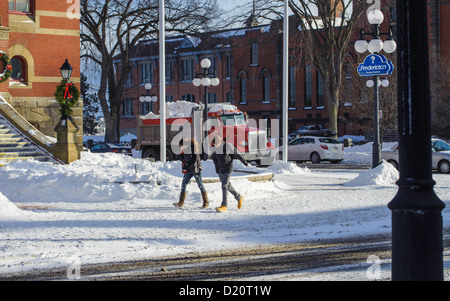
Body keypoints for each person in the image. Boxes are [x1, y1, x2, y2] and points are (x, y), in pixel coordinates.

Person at [211, 134, 249, 212]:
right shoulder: (215, 149)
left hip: (228, 169)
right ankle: (239, 197)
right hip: (220, 170)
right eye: (214, 145)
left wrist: (245, 162)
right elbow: (214, 160)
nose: (216, 146)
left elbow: (237, 154)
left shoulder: (228, 146)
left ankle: (224, 205)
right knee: (228, 186)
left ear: (220, 142)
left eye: (217, 144)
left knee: (224, 186)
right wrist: (217, 170)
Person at [174, 139, 209, 209]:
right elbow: (184, 159)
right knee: (184, 183)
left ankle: (206, 202)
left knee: (200, 185)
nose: (181, 147)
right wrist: (180, 154)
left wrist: (187, 164)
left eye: (181, 146)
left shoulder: (193, 147)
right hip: (189, 170)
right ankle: (181, 202)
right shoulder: (186, 149)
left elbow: (194, 159)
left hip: (196, 169)